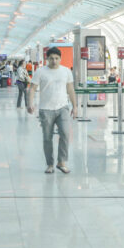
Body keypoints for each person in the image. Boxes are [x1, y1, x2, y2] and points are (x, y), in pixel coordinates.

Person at [28, 46, 77, 174]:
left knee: (65, 134)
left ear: (60, 59)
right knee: (47, 138)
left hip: (63, 108)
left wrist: (75, 106)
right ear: (47, 59)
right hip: (46, 109)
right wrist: (30, 103)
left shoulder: (66, 71)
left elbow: (70, 89)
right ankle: (50, 164)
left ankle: (61, 162)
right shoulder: (40, 71)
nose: (54, 61)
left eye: (56, 58)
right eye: (51, 58)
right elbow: (32, 88)